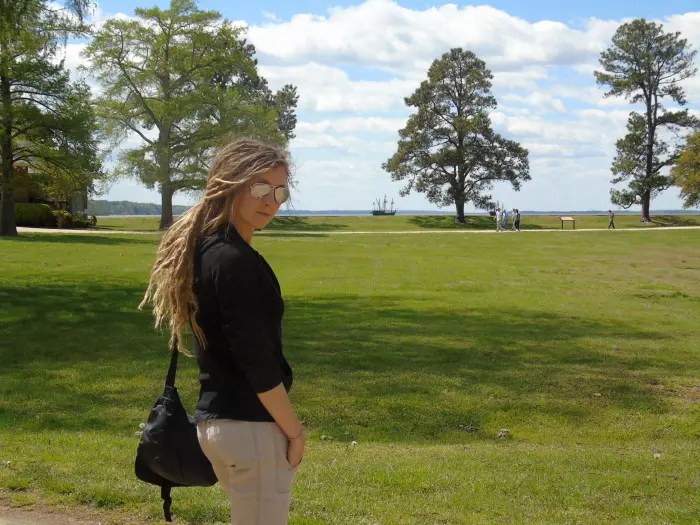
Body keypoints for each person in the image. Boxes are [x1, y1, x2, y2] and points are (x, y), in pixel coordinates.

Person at [139, 138, 303, 525]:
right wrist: (294, 431)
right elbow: (256, 361)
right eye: (260, 187)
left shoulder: (208, 251)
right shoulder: (235, 261)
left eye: (280, 191)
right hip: (251, 429)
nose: (271, 200)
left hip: (217, 427)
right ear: (230, 184)